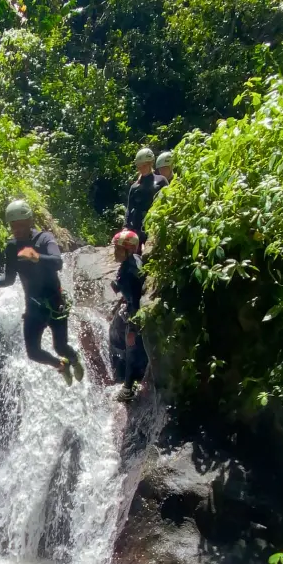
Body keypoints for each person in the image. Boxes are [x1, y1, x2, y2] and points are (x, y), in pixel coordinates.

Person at [0, 200, 84, 386]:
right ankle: (61, 366)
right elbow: (9, 279)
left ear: (29, 221)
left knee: (60, 346)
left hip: (55, 304)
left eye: (21, 225)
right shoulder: (11, 247)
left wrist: (36, 257)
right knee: (33, 353)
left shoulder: (44, 239)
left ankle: (73, 359)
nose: (17, 229)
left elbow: (58, 262)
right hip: (33, 307)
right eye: (13, 225)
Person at [109, 229, 148, 403]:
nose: (114, 252)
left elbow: (131, 294)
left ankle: (128, 389)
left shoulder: (127, 271)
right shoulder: (135, 260)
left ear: (128, 250)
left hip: (135, 314)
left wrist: (131, 319)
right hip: (136, 310)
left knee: (131, 347)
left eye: (118, 249)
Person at [124, 148, 168, 248]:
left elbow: (167, 202)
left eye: (144, 165)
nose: (142, 168)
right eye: (139, 166)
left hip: (154, 225)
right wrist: (126, 226)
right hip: (138, 226)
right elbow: (129, 209)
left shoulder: (161, 181)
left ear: (150, 164)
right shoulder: (135, 187)